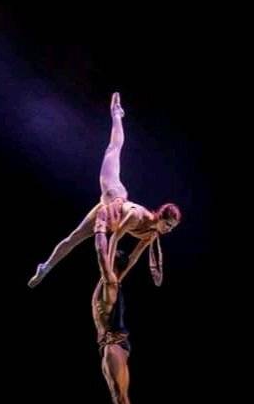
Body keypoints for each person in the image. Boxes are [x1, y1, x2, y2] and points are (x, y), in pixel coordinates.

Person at [28, 92, 182, 289]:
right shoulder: (137, 216)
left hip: (108, 213)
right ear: (160, 217)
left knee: (76, 236)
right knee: (114, 148)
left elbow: (133, 258)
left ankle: (45, 267)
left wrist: (117, 281)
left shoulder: (151, 235)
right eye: (168, 224)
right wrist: (107, 272)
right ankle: (116, 113)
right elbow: (115, 238)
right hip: (113, 192)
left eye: (172, 227)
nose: (169, 229)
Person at [92, 241, 133, 404]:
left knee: (120, 398)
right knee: (119, 397)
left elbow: (102, 253)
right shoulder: (111, 280)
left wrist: (108, 232)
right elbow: (131, 261)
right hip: (110, 344)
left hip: (113, 343)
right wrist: (145, 242)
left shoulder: (111, 282)